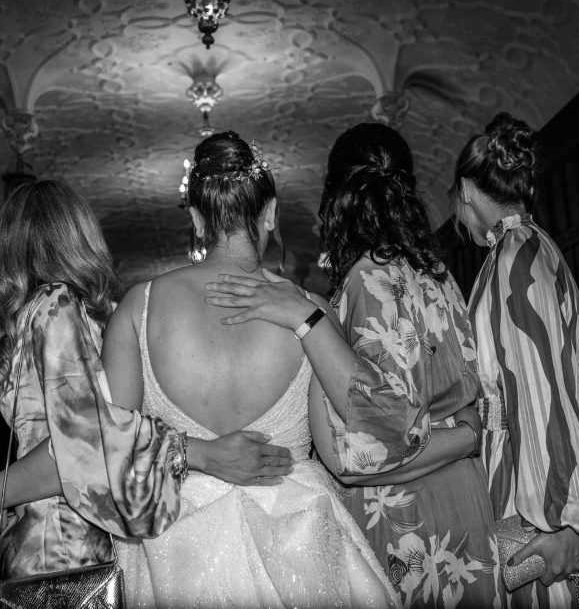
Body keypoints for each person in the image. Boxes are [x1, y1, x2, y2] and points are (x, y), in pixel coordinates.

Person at [205, 123, 502, 608]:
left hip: (409, 522)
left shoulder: (366, 281)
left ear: (336, 198)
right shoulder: (440, 276)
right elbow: (471, 396)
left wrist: (311, 321)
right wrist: (467, 437)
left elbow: (360, 453)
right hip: (465, 502)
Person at [102, 131, 397, 608]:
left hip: (177, 554)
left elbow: (106, 448)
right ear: (271, 213)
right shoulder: (309, 309)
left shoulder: (139, 307)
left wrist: (196, 453)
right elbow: (374, 422)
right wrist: (309, 319)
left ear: (197, 219)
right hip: (300, 537)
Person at [0, 179, 294, 579]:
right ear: (79, 234)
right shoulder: (58, 308)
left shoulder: (42, 314)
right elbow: (81, 442)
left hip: (58, 540)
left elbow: (71, 439)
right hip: (67, 549)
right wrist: (199, 453)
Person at [451, 113, 579, 607]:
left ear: (468, 190)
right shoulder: (523, 249)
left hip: (538, 491)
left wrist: (566, 519)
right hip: (521, 470)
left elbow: (543, 392)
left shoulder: (517, 259)